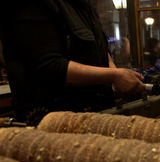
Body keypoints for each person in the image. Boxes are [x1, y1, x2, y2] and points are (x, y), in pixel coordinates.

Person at [0, 0, 144, 124]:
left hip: (94, 115)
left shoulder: (82, 6)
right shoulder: (34, 5)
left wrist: (114, 72)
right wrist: (113, 75)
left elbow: (98, 49)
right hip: (54, 124)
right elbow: (50, 67)